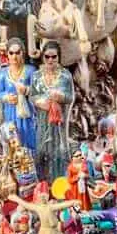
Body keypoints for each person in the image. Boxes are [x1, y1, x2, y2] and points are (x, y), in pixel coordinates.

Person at [30, 42, 74, 180]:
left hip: (59, 124)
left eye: (54, 57)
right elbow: (32, 95)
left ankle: (59, 182)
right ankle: (43, 183)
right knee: (41, 151)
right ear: (43, 57)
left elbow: (70, 96)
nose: (50, 60)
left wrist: (61, 97)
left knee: (59, 152)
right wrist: (39, 102)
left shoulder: (65, 75)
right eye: (47, 57)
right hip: (42, 121)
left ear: (58, 57)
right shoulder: (36, 76)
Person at [0, 38, 36, 149]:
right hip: (10, 112)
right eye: (11, 53)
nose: (14, 56)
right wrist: (6, 97)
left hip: (27, 112)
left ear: (22, 53)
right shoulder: (3, 73)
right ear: (7, 54)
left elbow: (38, 91)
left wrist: (26, 90)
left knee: (28, 137)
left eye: (18, 53)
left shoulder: (30, 71)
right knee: (12, 138)